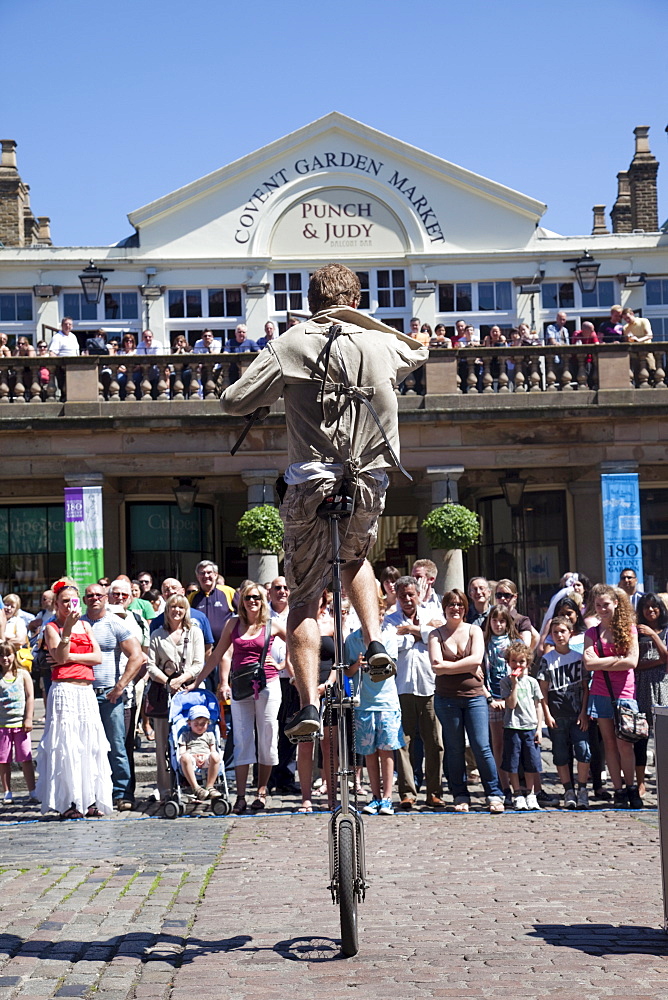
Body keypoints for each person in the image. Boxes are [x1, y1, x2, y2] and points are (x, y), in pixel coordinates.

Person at [221, 263, 427, 739]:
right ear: (355, 301)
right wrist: (363, 323)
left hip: (312, 481)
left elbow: (234, 400)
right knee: (355, 558)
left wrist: (279, 379)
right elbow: (419, 348)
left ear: (311, 302)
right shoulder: (381, 344)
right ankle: (375, 643)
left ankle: (310, 704)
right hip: (368, 480)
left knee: (305, 598)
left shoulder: (292, 343)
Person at [205, 582, 286, 814]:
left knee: (268, 735)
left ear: (263, 600)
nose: (252, 601)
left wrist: (281, 664)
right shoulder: (233, 623)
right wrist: (197, 680)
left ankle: (261, 791)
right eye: (248, 597)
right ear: (242, 601)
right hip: (241, 686)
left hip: (268, 684)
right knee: (241, 737)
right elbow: (218, 655)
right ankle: (241, 795)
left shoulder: (272, 624)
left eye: (257, 598)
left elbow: (297, 643)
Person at [36, 581, 113, 819]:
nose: (70, 605)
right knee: (66, 745)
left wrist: (71, 657)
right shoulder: (52, 627)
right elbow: (58, 655)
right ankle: (68, 800)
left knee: (88, 744)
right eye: (65, 602)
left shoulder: (85, 625)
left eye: (73, 601)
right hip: (65, 689)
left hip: (86, 690)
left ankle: (89, 799)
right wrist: (67, 631)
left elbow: (97, 657)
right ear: (57, 605)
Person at [429, 589, 505, 813]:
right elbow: (435, 666)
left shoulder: (474, 630)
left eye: (460, 604)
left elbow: (476, 659)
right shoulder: (436, 634)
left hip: (474, 697)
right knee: (454, 748)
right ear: (444, 607)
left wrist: (447, 667)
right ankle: (460, 794)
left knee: (482, 746)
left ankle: (494, 793)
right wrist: (465, 666)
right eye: (451, 604)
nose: (456, 608)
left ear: (465, 607)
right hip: (446, 700)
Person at [82, 584, 146, 810]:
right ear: (84, 599)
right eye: (90, 596)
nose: (95, 599)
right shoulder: (78, 625)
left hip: (110, 694)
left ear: (106, 598)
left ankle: (123, 794)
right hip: (83, 694)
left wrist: (120, 686)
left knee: (117, 746)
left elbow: (137, 656)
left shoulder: (114, 623)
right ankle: (93, 794)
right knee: (87, 747)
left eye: (99, 595)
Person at [384, 576, 444, 810]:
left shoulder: (432, 615)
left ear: (419, 594)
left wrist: (411, 630)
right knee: (404, 742)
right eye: (402, 596)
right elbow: (391, 645)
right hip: (403, 688)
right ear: (397, 597)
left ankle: (435, 791)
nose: (407, 599)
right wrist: (419, 636)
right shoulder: (390, 620)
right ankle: (408, 792)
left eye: (411, 594)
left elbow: (438, 638)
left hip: (430, 686)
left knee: (434, 742)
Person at [583, 584, 642, 808]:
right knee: (609, 744)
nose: (602, 609)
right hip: (600, 692)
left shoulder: (628, 629)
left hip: (624, 692)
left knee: (624, 743)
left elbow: (631, 662)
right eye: (598, 605)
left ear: (616, 603)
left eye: (606, 604)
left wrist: (600, 662)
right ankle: (618, 790)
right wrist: (613, 661)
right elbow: (588, 664)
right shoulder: (592, 632)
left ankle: (631, 787)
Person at [146, 594, 205, 802]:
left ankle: (195, 785)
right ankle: (165, 789)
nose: (176, 611)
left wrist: (182, 680)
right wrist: (167, 682)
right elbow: (150, 665)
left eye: (181, 607)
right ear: (166, 610)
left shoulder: (195, 632)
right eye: (173, 607)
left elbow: (199, 663)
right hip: (164, 694)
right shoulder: (157, 634)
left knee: (192, 739)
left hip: (190, 692)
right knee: (163, 743)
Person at [345, 623, 402, 816]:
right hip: (364, 704)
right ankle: (375, 796)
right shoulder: (352, 640)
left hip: (386, 702)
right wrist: (357, 665)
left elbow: (391, 669)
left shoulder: (388, 636)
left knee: (386, 751)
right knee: (369, 753)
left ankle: (387, 798)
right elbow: (346, 672)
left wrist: (375, 664)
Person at [537, 617, 591, 809]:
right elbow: (542, 691)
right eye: (555, 632)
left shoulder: (578, 658)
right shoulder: (547, 660)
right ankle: (568, 789)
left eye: (563, 631)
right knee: (560, 754)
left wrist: (584, 712)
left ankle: (582, 789)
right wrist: (546, 715)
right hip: (557, 715)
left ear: (571, 633)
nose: (559, 635)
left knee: (584, 751)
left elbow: (586, 688)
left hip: (577, 714)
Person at [499, 641, 546, 810]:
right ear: (508, 662)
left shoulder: (532, 682)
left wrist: (539, 728)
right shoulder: (505, 682)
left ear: (527, 663)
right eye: (513, 661)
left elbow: (538, 705)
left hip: (530, 727)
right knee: (512, 762)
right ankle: (517, 792)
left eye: (521, 661)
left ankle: (531, 793)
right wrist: (514, 685)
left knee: (531, 763)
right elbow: (511, 704)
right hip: (513, 726)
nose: (517, 665)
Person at [483, 604, 521, 807]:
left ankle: (519, 787)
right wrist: (490, 697)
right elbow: (479, 672)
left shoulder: (514, 642)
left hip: (511, 697)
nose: (498, 624)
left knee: (513, 744)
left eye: (502, 620)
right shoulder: (484, 642)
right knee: (497, 743)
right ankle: (503, 785)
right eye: (495, 620)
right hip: (492, 698)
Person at [633, 594, 668, 796]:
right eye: (646, 607)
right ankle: (640, 782)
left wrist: (654, 636)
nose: (650, 611)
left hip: (663, 688)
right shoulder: (637, 633)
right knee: (641, 739)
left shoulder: (665, 632)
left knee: (663, 739)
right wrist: (658, 663)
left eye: (654, 607)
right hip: (642, 688)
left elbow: (667, 658)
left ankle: (662, 780)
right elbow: (634, 664)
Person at [0, 641, 37, 803]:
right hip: (3, 725)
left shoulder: (23, 674)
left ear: (14, 655)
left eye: (8, 654)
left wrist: (28, 718)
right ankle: (7, 792)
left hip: (21, 725)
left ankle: (32, 790)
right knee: (3, 760)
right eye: (1, 655)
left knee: (26, 759)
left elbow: (30, 697)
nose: (5, 658)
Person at [176, 704, 222, 801]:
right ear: (189, 723)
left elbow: (213, 750)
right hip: (191, 760)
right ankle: (196, 788)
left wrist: (206, 756)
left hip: (206, 758)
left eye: (203, 724)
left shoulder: (209, 735)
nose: (199, 727)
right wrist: (193, 756)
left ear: (208, 723)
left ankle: (210, 786)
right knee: (184, 757)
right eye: (196, 724)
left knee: (215, 755)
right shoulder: (185, 735)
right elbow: (181, 752)